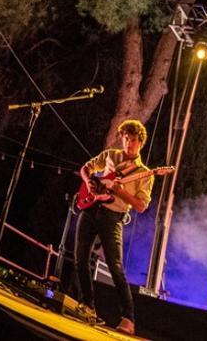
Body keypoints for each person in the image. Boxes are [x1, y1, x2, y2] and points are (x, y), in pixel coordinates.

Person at [72, 119, 154, 334]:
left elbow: (141, 205)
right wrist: (88, 181)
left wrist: (119, 191)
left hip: (113, 216)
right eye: (126, 139)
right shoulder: (110, 155)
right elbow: (86, 168)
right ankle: (87, 306)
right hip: (91, 209)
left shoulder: (144, 172)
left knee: (115, 266)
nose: (128, 143)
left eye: (133, 140)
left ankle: (128, 318)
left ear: (141, 142)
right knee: (80, 258)